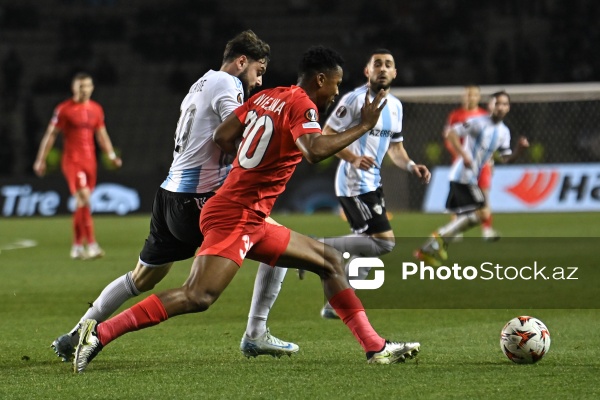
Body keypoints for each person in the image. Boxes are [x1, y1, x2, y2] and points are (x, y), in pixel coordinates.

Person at [73, 46, 420, 373]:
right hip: (235, 215)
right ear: (320, 80)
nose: (335, 91)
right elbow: (313, 150)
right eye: (335, 83)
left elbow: (223, 135)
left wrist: (247, 165)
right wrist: (362, 126)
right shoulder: (303, 105)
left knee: (329, 261)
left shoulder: (267, 96)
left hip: (247, 213)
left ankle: (375, 347)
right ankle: (99, 333)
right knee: (199, 295)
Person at [50, 30, 298, 363]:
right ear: (242, 62)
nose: (258, 79)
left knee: (142, 276)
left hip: (169, 195)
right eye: (258, 70)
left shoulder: (200, 83)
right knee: (276, 245)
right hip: (199, 200)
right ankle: (256, 333)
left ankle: (76, 332)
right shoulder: (229, 85)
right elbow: (232, 134)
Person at [316, 48, 430, 319]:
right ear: (367, 71)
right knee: (384, 242)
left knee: (369, 246)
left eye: (388, 64)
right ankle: (316, 246)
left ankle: (336, 304)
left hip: (373, 183)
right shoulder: (355, 100)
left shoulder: (396, 107)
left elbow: (396, 149)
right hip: (353, 183)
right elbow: (326, 135)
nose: (382, 68)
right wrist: (353, 158)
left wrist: (412, 165)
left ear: (394, 73)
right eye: (377, 64)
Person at [414, 91, 529, 267]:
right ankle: (437, 241)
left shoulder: (504, 132)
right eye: (497, 103)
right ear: (490, 105)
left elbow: (506, 158)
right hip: (461, 175)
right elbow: (451, 133)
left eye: (505, 104)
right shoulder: (478, 123)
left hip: (471, 177)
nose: (501, 107)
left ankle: (432, 245)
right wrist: (463, 155)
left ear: (509, 108)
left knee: (478, 215)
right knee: (482, 213)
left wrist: (520, 150)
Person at [33, 72, 122, 260]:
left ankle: (76, 247)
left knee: (82, 203)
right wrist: (41, 159)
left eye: (88, 86)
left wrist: (111, 155)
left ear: (92, 88)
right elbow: (51, 134)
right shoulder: (64, 109)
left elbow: (101, 135)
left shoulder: (96, 109)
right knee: (85, 198)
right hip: (72, 160)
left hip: (90, 161)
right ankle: (92, 245)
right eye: (81, 86)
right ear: (74, 88)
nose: (85, 90)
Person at [443, 85, 499, 241]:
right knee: (459, 198)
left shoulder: (485, 116)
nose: (471, 97)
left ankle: (487, 230)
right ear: (463, 97)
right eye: (468, 95)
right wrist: (459, 156)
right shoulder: (455, 116)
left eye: (474, 95)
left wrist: (492, 161)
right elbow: (449, 139)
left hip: (482, 164)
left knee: (484, 197)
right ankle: (456, 231)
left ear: (478, 97)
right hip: (462, 164)